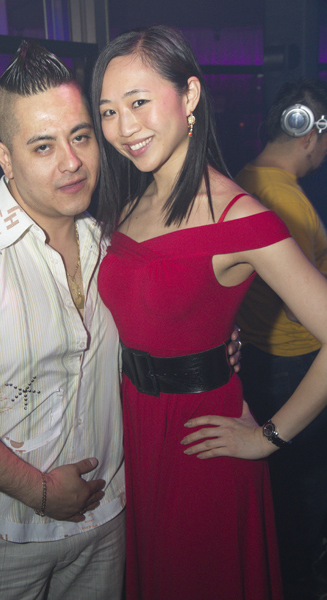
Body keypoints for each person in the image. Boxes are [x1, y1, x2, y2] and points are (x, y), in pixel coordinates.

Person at [90, 25, 327, 600]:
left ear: (190, 95)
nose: (123, 127)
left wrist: (268, 437)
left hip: (199, 441)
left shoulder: (241, 218)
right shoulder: (128, 203)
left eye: (138, 102)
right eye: (108, 111)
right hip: (133, 430)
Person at [0, 40, 127, 600]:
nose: (72, 161)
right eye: (43, 146)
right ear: (5, 157)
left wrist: (214, 346)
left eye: (80, 136)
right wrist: (39, 491)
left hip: (106, 520)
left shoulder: (112, 245)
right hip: (1, 535)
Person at [236, 80, 327, 598]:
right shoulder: (283, 198)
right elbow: (301, 304)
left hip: (260, 359)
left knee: (282, 490)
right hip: (298, 364)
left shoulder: (244, 179)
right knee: (305, 491)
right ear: (309, 134)